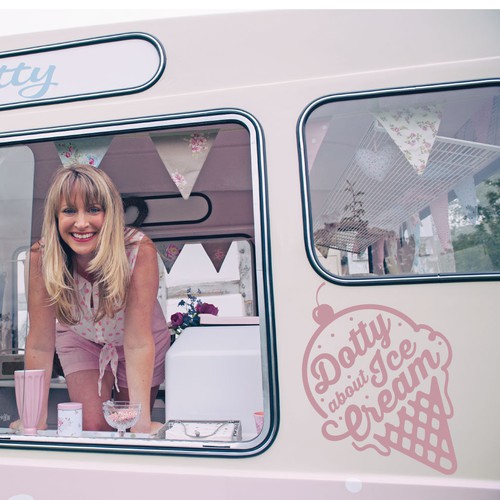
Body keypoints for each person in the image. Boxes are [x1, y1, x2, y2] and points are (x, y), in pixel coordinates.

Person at [13, 164, 169, 434]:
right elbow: (39, 342)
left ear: (109, 214)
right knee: (93, 425)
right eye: (69, 210)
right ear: (55, 216)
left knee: (128, 424)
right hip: (79, 338)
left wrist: (141, 425)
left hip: (137, 340)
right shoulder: (41, 257)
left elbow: (137, 342)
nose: (81, 222)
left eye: (93, 209)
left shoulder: (138, 250)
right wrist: (33, 418)